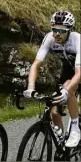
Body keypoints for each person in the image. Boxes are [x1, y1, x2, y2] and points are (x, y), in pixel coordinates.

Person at [24, 11, 80, 147]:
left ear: (69, 30)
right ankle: (61, 145)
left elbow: (78, 73)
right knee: (54, 112)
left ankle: (75, 129)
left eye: (61, 30)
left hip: (79, 70)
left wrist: (67, 90)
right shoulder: (50, 38)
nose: (57, 34)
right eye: (54, 29)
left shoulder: (77, 40)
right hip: (68, 70)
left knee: (68, 88)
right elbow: (36, 64)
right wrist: (30, 87)